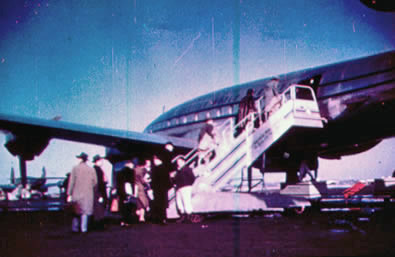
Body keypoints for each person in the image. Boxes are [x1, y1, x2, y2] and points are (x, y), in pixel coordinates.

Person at [67, 152, 98, 233]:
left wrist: (69, 193)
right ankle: (84, 229)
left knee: (76, 211)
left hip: (76, 193)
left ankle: (75, 228)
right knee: (85, 212)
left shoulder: (75, 168)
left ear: (80, 159)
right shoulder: (91, 169)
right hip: (87, 193)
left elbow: (71, 182)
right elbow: (95, 182)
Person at [150, 154, 172, 224]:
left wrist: (152, 187)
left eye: (155, 160)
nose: (154, 162)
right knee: (163, 205)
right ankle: (163, 219)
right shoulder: (164, 168)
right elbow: (168, 180)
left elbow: (153, 180)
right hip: (163, 189)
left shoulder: (155, 169)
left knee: (158, 204)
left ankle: (159, 219)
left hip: (157, 189)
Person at [173, 157, 196, 223]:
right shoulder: (178, 171)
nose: (178, 163)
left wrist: (188, 184)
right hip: (179, 187)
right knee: (179, 202)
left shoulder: (187, 169)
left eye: (180, 162)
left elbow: (192, 178)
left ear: (184, 162)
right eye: (178, 162)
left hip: (185, 187)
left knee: (186, 201)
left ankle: (190, 216)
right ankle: (183, 216)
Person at [116, 160, 136, 226]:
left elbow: (118, 184)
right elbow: (132, 182)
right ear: (130, 164)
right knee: (129, 207)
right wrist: (133, 192)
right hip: (128, 190)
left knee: (122, 207)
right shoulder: (131, 172)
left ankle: (122, 221)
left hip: (121, 191)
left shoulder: (119, 172)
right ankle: (127, 221)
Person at [92, 154, 108, 229]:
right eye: (100, 160)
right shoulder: (98, 170)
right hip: (99, 192)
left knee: (97, 209)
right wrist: (101, 194)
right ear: (97, 161)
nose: (102, 162)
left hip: (97, 192)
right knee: (99, 209)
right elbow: (99, 183)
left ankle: (97, 224)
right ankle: (99, 225)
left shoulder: (94, 169)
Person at [134, 158, 150, 223]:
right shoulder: (142, 170)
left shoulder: (134, 170)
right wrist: (147, 182)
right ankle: (142, 217)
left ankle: (140, 216)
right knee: (142, 203)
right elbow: (142, 180)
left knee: (139, 203)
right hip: (141, 188)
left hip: (135, 188)